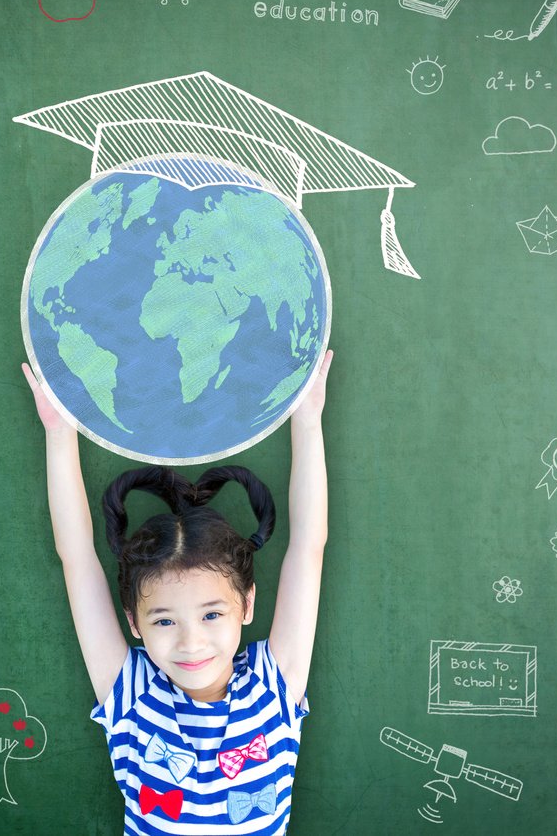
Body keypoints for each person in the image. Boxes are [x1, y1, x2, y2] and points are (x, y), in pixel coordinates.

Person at [22, 350, 333, 834]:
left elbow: (309, 549)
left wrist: (307, 418)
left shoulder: (275, 687)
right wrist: (59, 434)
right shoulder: (130, 694)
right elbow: (77, 558)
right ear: (134, 623)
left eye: (212, 615)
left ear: (246, 604)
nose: (190, 642)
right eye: (164, 620)